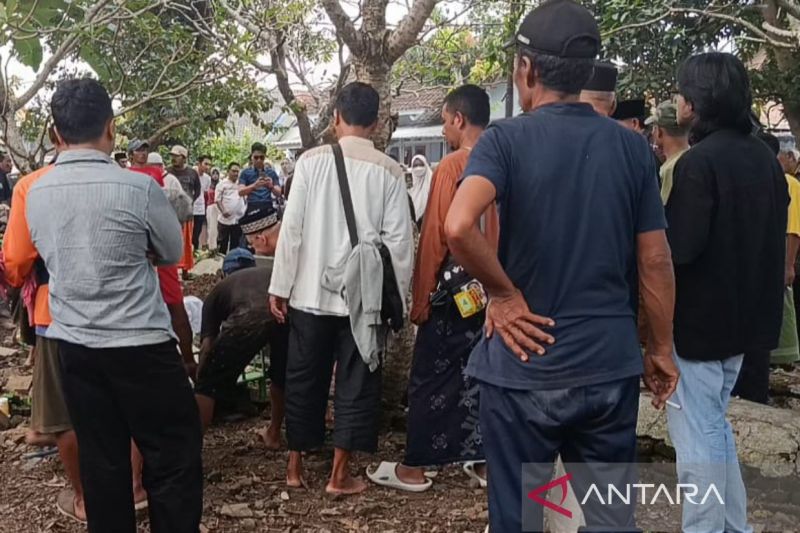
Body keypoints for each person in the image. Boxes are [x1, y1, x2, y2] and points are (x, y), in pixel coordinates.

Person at [443, 2, 678, 531]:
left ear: (527, 69)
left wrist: (503, 294)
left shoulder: (505, 139)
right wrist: (660, 348)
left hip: (524, 368)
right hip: (607, 365)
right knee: (611, 519)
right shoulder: (633, 148)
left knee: (521, 518)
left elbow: (458, 226)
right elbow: (655, 258)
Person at [25, 78, 202, 533]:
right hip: (141, 345)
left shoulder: (36, 191)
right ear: (111, 128)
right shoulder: (138, 189)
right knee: (173, 459)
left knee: (102, 463)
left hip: (76, 346)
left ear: (55, 134)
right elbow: (169, 251)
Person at [269, 81, 414, 496]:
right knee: (356, 382)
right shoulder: (389, 171)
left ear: (335, 117)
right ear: (378, 123)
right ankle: (338, 475)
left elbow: (291, 230)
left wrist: (280, 286)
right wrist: (397, 303)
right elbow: (399, 245)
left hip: (309, 294)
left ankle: (294, 467)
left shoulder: (310, 162)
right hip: (362, 302)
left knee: (303, 377)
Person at [665, 53, 787, 533]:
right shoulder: (765, 159)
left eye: (681, 93)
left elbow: (680, 248)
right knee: (714, 428)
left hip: (700, 325)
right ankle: (735, 526)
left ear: (695, 103)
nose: (677, 102)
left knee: (697, 440)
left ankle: (705, 528)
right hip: (746, 322)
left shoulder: (699, 164)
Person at [368, 84, 498, 492]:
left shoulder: (453, 167)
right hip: (497, 289)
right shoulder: (506, 160)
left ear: (459, 119)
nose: (443, 130)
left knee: (429, 376)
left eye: (444, 121)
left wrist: (421, 297)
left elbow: (437, 237)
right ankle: (483, 462)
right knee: (483, 373)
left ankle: (416, 466)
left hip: (453, 290)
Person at [195, 206, 289, 449]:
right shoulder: (267, 271)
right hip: (283, 308)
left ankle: (190, 449)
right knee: (280, 375)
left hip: (252, 312)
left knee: (208, 383)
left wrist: (201, 372)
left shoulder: (217, 294)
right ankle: (274, 433)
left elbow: (207, 347)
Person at [646, 101, 690, 204]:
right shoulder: (696, 158)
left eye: (654, 127)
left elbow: (664, 209)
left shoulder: (670, 169)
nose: (652, 132)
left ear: (659, 132)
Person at [167, 145, 200, 277]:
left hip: (186, 214)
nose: (174, 159)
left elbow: (197, 190)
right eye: (172, 156)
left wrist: (189, 202)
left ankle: (185, 271)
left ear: (184, 158)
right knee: (170, 241)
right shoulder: (167, 172)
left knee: (186, 242)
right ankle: (171, 272)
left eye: (177, 156)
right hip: (170, 214)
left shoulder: (192, 173)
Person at [239, 142, 281, 211]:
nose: (259, 160)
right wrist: (254, 186)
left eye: (261, 157)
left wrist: (271, 187)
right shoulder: (245, 172)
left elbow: (279, 193)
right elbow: (240, 192)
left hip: (267, 205)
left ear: (265, 157)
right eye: (256, 157)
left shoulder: (271, 172)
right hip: (252, 206)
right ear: (252, 157)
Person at [217, 162, 246, 254]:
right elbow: (217, 200)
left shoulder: (241, 184)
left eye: (237, 171)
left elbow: (245, 197)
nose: (235, 173)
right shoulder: (222, 184)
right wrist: (223, 211)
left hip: (237, 219)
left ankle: (233, 261)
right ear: (228, 171)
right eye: (233, 171)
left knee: (235, 244)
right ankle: (221, 261)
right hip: (225, 220)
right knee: (223, 244)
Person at [192, 155, 213, 251]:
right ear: (199, 164)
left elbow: (205, 193)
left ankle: (195, 252)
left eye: (209, 165)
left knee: (197, 232)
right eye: (206, 164)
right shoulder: (191, 173)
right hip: (189, 207)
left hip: (200, 208)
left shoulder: (207, 178)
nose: (207, 167)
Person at [407, 154, 433, 226]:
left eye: (421, 165)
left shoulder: (432, 184)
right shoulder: (409, 187)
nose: (418, 168)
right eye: (415, 166)